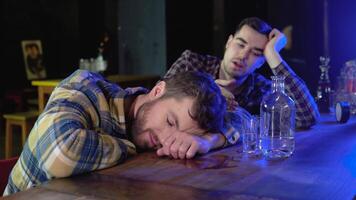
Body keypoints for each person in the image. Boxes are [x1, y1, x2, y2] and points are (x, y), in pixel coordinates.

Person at [4, 69, 228, 195]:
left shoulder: (162, 115)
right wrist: (132, 148)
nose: (165, 141)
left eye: (180, 135)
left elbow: (242, 119)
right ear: (158, 90)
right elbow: (57, 152)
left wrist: (206, 142)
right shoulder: (85, 88)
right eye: (170, 122)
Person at [165, 17, 320, 129]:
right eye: (240, 44)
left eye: (256, 53)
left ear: (263, 62)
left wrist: (273, 53)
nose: (243, 55)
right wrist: (207, 92)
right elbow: (155, 102)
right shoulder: (191, 63)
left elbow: (307, 117)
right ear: (228, 42)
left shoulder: (261, 89)